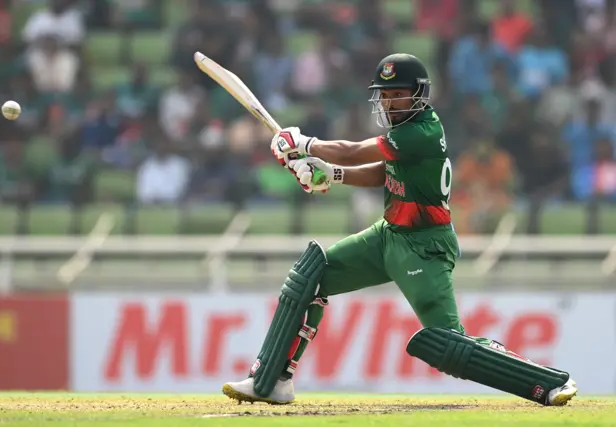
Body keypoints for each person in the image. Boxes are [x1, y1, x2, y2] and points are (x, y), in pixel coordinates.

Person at [222, 53, 578, 407]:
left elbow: (352, 151)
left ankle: (545, 382)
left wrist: (306, 145)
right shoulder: (404, 135)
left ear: (419, 94)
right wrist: (331, 173)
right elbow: (383, 173)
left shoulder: (422, 131)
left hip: (424, 247)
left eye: (398, 94)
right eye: (385, 95)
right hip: (387, 235)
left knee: (447, 344)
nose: (390, 102)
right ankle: (271, 380)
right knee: (309, 278)